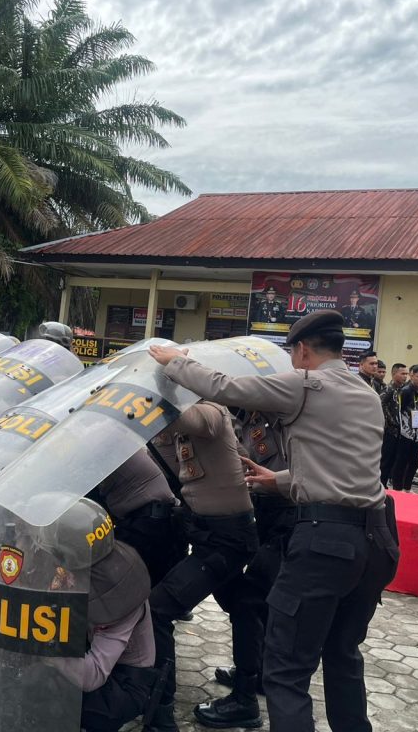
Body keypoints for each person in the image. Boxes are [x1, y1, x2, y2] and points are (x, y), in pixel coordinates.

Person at [148, 311, 399, 732]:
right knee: (342, 655)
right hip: (375, 538)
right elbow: (344, 470)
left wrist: (174, 359)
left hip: (323, 543)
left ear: (302, 349)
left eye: (293, 354)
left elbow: (224, 387)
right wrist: (278, 480)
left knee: (285, 671)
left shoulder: (306, 385)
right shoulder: (365, 392)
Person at [143, 402, 259, 732]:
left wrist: (147, 393)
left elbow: (182, 417)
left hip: (229, 539)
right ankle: (248, 692)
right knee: (243, 605)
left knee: (158, 609)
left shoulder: (209, 413)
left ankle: (161, 715)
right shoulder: (181, 431)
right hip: (212, 535)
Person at [200, 410, 294, 726]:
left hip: (292, 516)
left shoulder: (288, 411)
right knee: (248, 596)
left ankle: (244, 698)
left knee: (248, 600)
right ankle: (260, 672)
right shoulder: (249, 415)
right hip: (264, 511)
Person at [47, 500, 157, 732]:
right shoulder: (96, 566)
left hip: (124, 683)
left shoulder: (119, 594)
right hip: (99, 659)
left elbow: (92, 675)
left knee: (42, 685)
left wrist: (44, 650)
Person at [96, 449, 180, 588]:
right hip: (157, 523)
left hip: (148, 526)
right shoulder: (113, 443)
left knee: (106, 580)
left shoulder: (102, 449)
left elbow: (87, 505)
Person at [390, 365, 418, 491]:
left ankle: (407, 487)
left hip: (417, 432)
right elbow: (399, 411)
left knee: (415, 461)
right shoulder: (405, 391)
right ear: (412, 375)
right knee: (401, 461)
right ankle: (397, 488)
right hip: (404, 432)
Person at [379, 364, 408, 487]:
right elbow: (380, 404)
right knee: (385, 460)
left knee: (393, 460)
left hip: (398, 431)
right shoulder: (389, 389)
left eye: (406, 374)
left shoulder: (401, 389)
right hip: (389, 431)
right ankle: (380, 484)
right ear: (394, 374)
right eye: (402, 374)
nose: (405, 376)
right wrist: (391, 421)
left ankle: (385, 483)